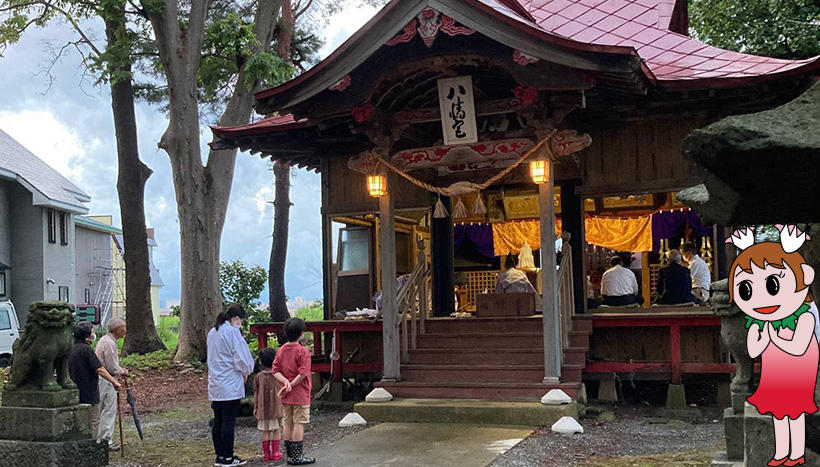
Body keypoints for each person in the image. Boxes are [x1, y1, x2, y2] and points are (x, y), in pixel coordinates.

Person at [728, 226, 817, 466]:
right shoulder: (762, 321)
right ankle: (781, 452)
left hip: (797, 370)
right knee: (778, 412)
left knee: (795, 413)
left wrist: (772, 337)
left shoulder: (806, 316)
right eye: (746, 290)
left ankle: (796, 452)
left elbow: (799, 347)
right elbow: (755, 352)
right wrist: (757, 334)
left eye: (772, 286)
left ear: (804, 278)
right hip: (774, 372)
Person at [208, 304, 255, 467]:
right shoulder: (232, 332)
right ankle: (228, 456)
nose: (240, 324)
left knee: (218, 419)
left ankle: (220, 455)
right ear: (236, 319)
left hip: (215, 382)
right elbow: (242, 358)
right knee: (228, 420)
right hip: (230, 382)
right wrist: (247, 371)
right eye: (241, 320)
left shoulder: (213, 332)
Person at [68, 322, 121, 442]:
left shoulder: (71, 348)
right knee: (93, 420)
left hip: (73, 391)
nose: (93, 334)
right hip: (88, 391)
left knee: (79, 421)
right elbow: (100, 369)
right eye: (92, 332)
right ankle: (91, 446)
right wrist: (114, 381)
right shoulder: (86, 350)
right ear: (87, 336)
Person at [274, 317, 316, 465]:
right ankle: (298, 456)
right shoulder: (303, 352)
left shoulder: (281, 350)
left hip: (285, 393)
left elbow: (275, 371)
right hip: (300, 393)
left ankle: (290, 455)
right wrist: (292, 384)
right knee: (299, 422)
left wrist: (285, 382)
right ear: (301, 333)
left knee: (287, 422)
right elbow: (303, 373)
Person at [95, 318, 128, 450]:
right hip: (107, 378)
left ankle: (100, 438)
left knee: (101, 408)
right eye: (123, 328)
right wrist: (122, 371)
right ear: (118, 329)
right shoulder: (109, 343)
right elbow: (111, 366)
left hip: (102, 377)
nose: (125, 330)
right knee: (108, 409)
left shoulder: (105, 340)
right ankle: (105, 440)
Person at [254, 347, 283, 462]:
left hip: (263, 408)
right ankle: (275, 452)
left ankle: (266, 454)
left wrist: (256, 407)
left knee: (265, 431)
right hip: (277, 408)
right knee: (277, 429)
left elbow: (256, 392)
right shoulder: (278, 375)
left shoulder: (258, 376)